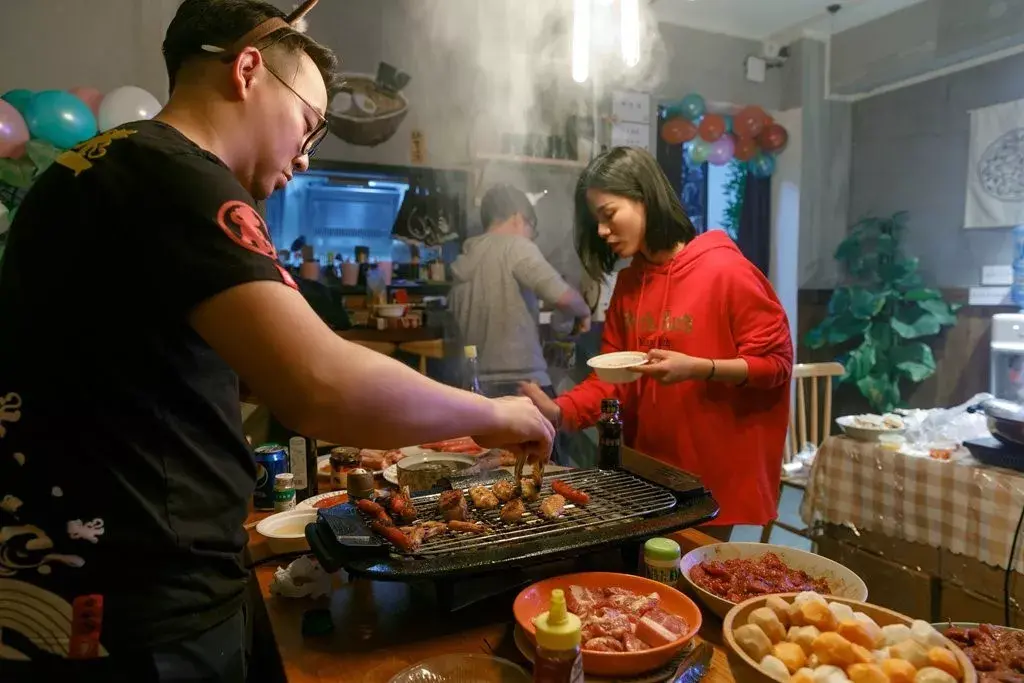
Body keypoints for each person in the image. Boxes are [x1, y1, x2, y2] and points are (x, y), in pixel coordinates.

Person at [0, 1, 552, 681]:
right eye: (308, 123)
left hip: (70, 582)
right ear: (248, 69)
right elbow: (319, 384)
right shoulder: (178, 176)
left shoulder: (92, 169)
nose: (306, 151)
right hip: (142, 610)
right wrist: (497, 414)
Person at [520, 146, 792, 540]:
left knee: (691, 584)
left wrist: (698, 367)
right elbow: (611, 378)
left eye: (608, 214)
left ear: (643, 197)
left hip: (709, 476)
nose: (601, 231)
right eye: (596, 220)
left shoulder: (725, 271)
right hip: (646, 472)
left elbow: (777, 365)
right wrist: (558, 411)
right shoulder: (631, 284)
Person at [449, 183, 592, 400]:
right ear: (518, 217)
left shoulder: (464, 260)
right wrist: (583, 310)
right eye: (531, 228)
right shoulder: (515, 246)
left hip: (474, 389)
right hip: (521, 386)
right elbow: (561, 296)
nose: (531, 237)